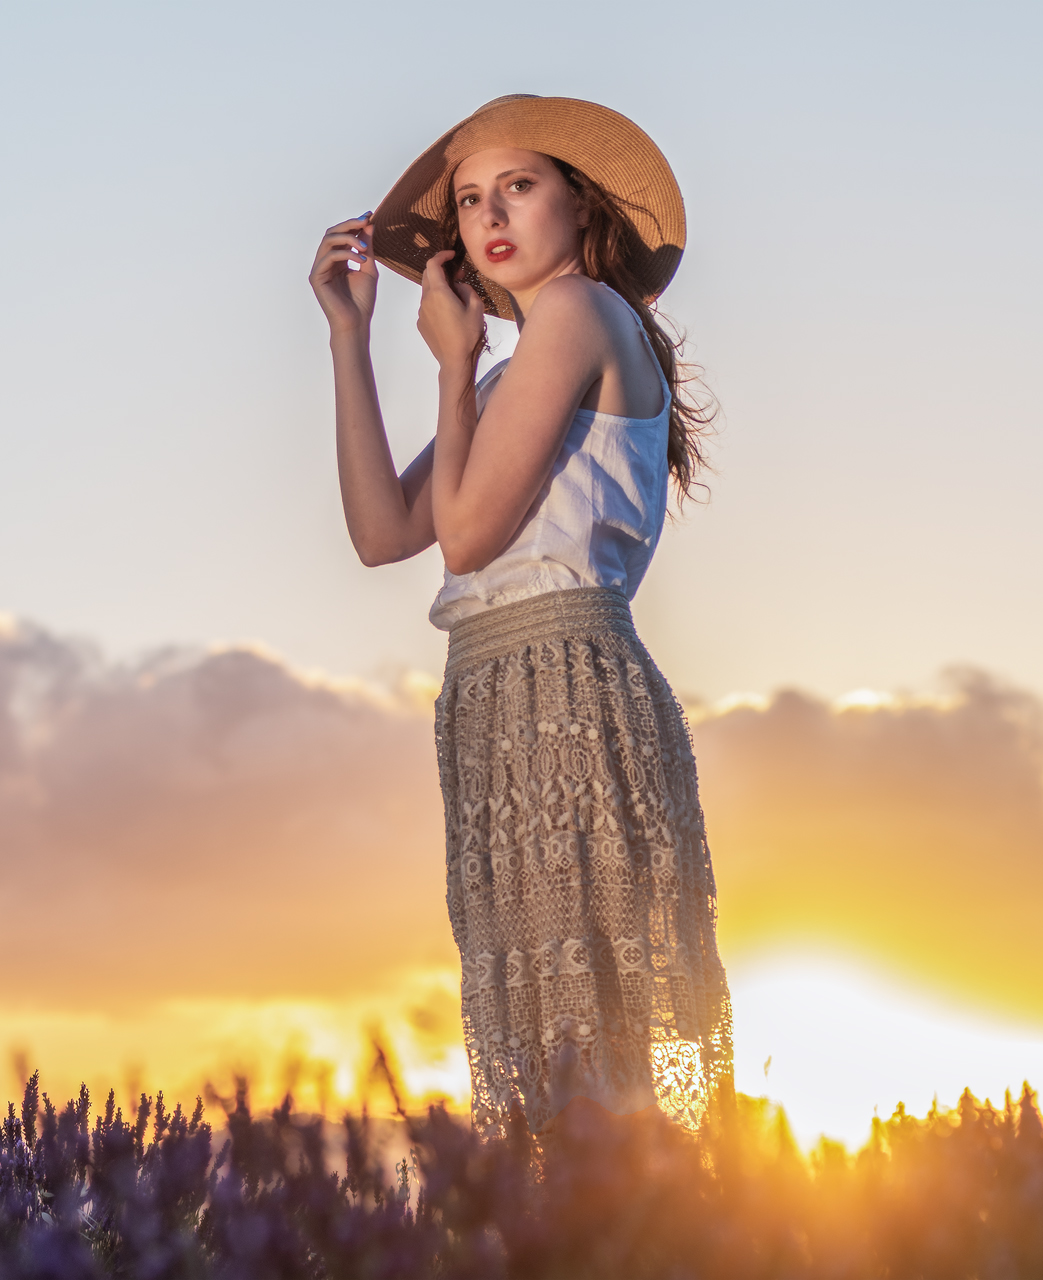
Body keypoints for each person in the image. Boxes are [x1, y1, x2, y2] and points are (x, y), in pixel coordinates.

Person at [308, 95, 732, 1136]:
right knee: (549, 1045)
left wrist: (451, 367)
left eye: (518, 186)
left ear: (578, 205)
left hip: (566, 683)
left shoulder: (580, 312)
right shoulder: (514, 365)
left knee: (595, 1035)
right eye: (468, 200)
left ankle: (638, 1233)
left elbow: (466, 536)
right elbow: (381, 530)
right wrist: (350, 340)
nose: (489, 215)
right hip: (496, 690)